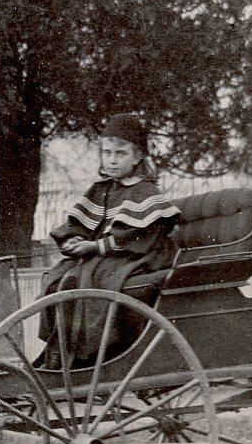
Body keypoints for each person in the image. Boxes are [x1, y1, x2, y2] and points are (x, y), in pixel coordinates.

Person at [39, 114, 181, 364]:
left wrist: (95, 246)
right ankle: (62, 348)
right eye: (107, 153)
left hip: (135, 256)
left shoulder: (146, 191)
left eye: (121, 153)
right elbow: (82, 225)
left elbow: (140, 237)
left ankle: (92, 353)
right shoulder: (102, 189)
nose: (112, 160)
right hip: (103, 256)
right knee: (56, 279)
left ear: (137, 157)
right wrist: (73, 240)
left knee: (91, 282)